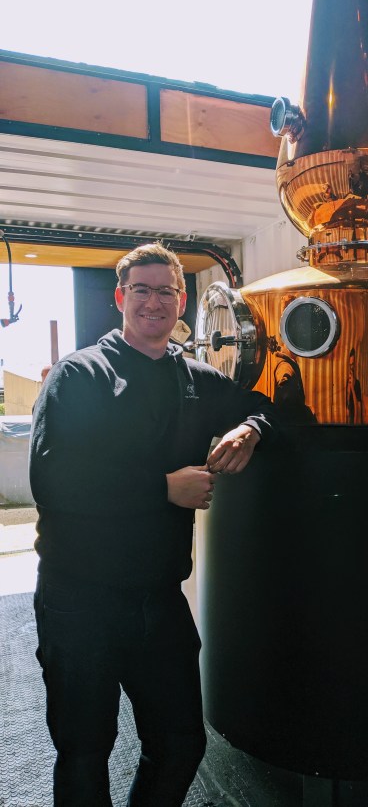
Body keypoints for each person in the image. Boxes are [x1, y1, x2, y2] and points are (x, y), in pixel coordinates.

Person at [29, 242, 277, 806]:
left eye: (165, 290)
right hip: (79, 599)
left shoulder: (195, 379)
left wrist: (253, 427)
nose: (153, 301)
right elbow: (55, 479)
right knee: (85, 750)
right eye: (140, 289)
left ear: (182, 302)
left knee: (181, 742)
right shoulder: (80, 374)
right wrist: (163, 487)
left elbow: (268, 404)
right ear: (120, 297)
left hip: (158, 600)